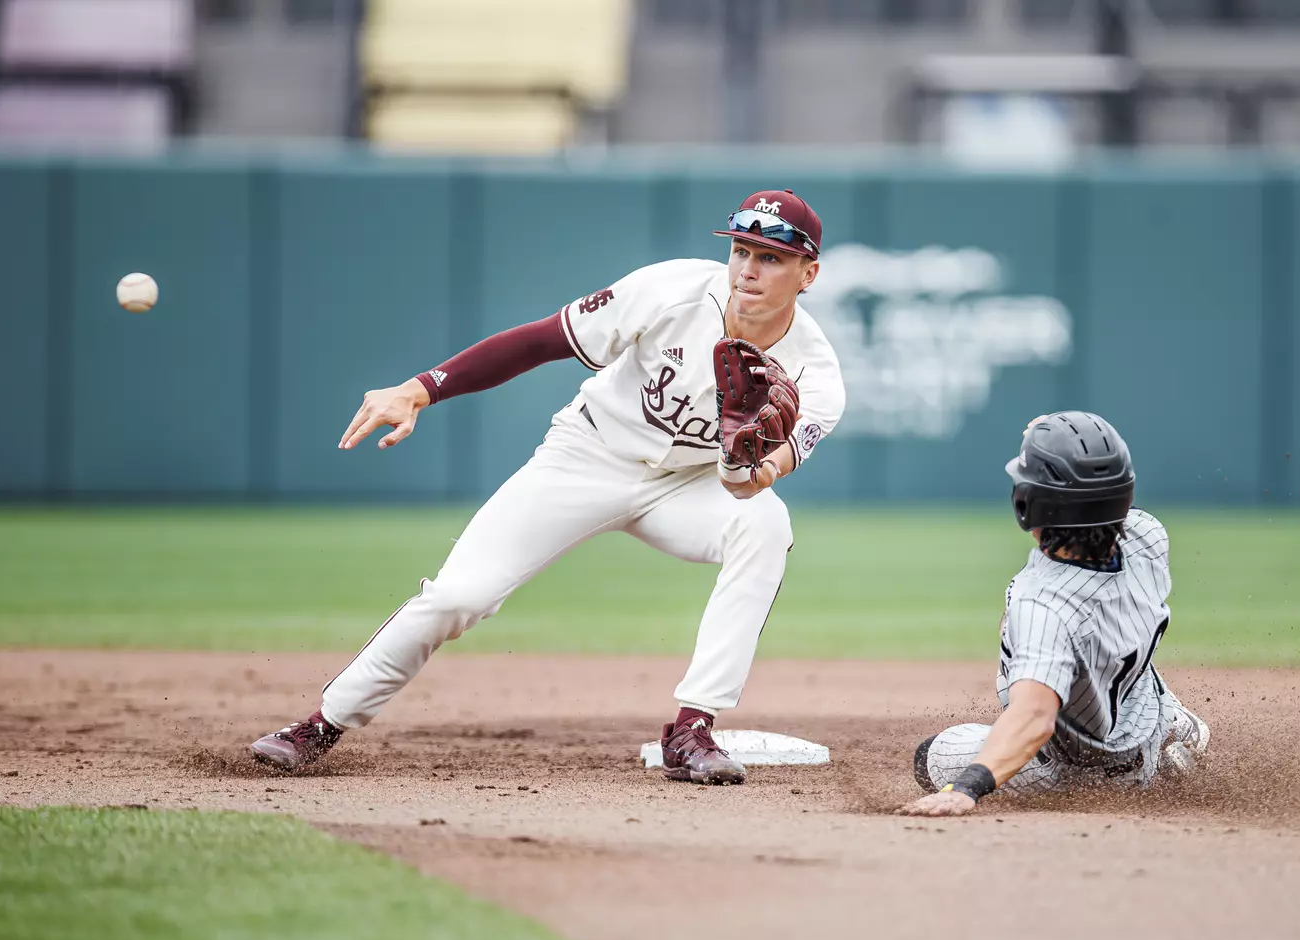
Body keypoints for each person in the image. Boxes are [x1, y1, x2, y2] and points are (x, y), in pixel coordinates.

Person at [251, 189, 845, 786]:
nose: (748, 268)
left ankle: (693, 727)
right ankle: (320, 725)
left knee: (766, 525)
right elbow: (541, 341)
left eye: (769, 257)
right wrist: (421, 389)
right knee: (459, 597)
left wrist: (742, 462)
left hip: (688, 484)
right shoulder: (669, 290)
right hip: (587, 455)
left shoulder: (815, 374)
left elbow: (751, 486)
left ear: (808, 273)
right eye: (742, 250)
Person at [899, 412, 1210, 817]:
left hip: (1082, 775)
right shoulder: (1149, 536)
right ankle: (1173, 727)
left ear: (1029, 503)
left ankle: (1148, 756)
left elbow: (1034, 716)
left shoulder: (1043, 604)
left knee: (931, 757)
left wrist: (966, 789)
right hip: (1143, 719)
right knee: (1109, 646)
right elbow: (1097, 496)